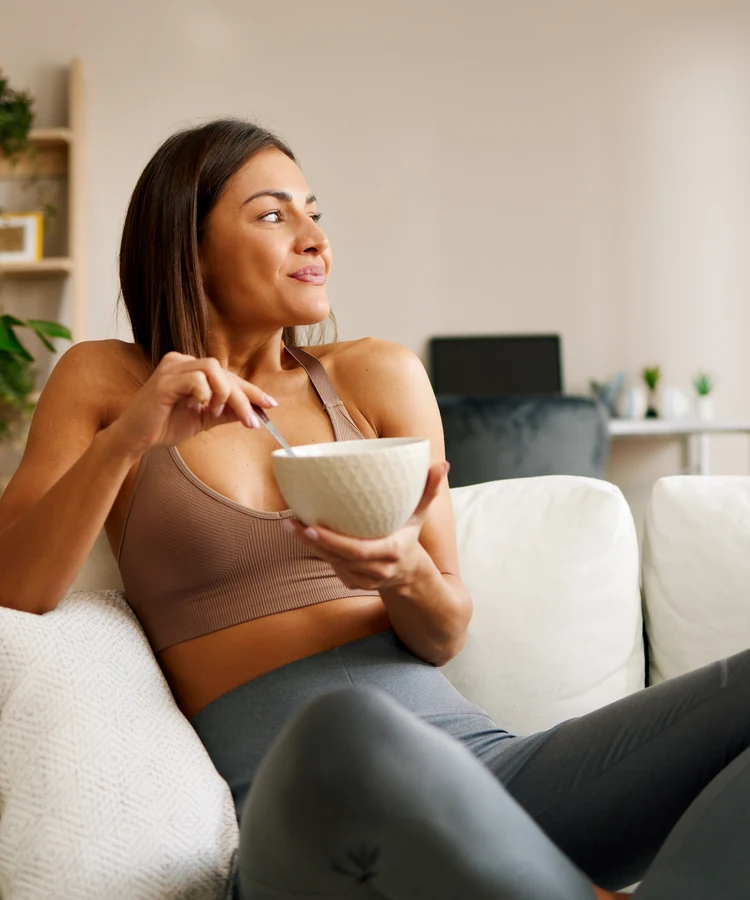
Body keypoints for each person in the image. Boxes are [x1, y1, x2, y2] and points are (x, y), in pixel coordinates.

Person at [0, 119, 749, 900]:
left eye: (313, 211)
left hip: (493, 780)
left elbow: (446, 630)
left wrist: (404, 572)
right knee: (343, 725)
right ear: (186, 246)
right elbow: (15, 592)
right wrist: (128, 440)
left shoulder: (377, 376)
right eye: (272, 214)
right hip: (309, 810)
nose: (314, 238)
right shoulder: (109, 381)